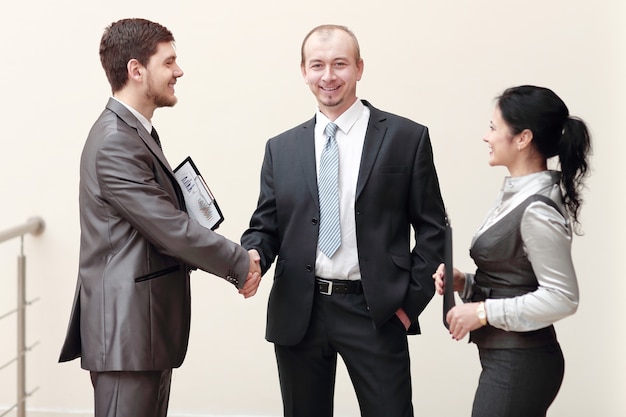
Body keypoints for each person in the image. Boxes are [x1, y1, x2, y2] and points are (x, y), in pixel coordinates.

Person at [58, 18, 261, 417]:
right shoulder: (115, 142)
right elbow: (169, 229)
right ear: (137, 70)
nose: (178, 72)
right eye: (168, 63)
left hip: (142, 335)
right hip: (126, 337)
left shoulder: (135, 133)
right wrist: (239, 261)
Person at [242, 24, 446, 417]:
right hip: (300, 310)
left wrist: (406, 307)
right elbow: (266, 226)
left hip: (375, 312)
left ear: (359, 68)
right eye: (317, 65)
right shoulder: (280, 148)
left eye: (339, 64)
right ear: (303, 71)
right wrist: (251, 257)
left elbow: (434, 228)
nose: (328, 76)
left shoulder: (406, 137)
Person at [432, 85, 592, 417]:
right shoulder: (518, 195)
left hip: (521, 363)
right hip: (508, 359)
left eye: (493, 128)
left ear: (522, 138)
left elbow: (562, 297)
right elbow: (516, 277)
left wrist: (481, 313)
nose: (486, 137)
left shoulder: (537, 209)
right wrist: (465, 283)